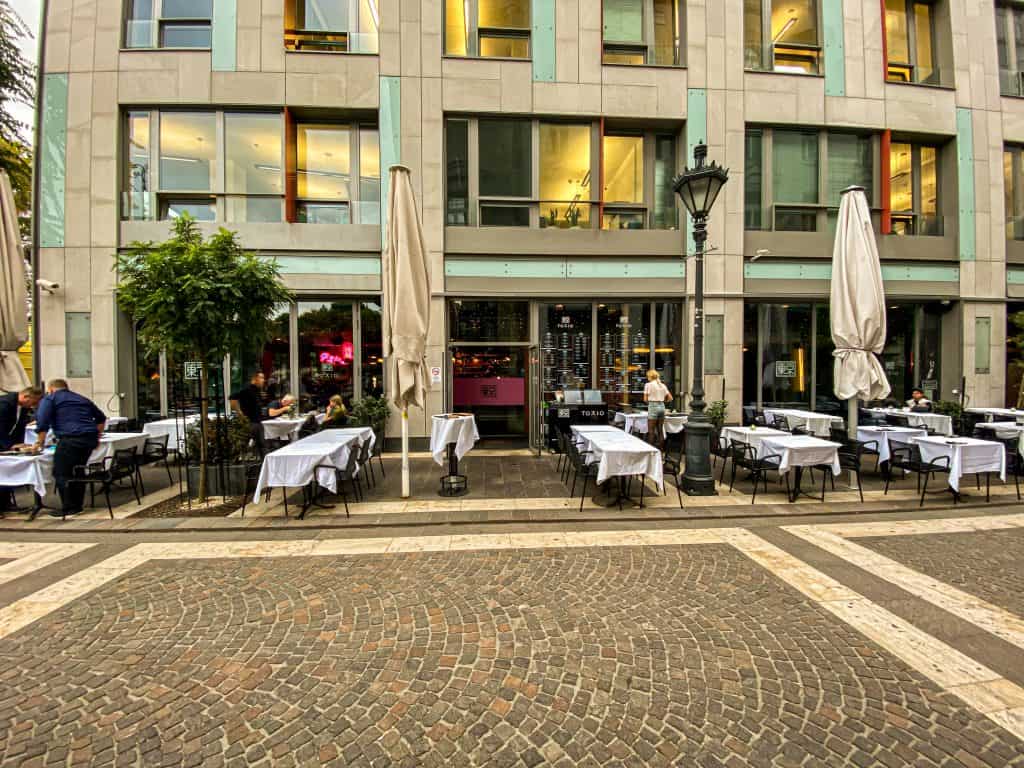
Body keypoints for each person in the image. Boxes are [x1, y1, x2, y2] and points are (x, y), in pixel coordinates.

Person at [31, 379, 106, 517]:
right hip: (88, 439)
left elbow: (42, 422)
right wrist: (97, 436)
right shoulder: (81, 399)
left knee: (61, 473)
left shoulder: (50, 399)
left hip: (70, 439)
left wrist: (39, 443)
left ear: (51, 389)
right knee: (78, 470)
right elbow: (101, 418)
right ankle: (78, 504)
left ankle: (69, 507)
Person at [0, 386, 43, 514]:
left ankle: (6, 503)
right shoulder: (4, 404)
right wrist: (8, 445)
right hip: (2, 440)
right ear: (25, 397)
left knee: (8, 471)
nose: (34, 406)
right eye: (34, 402)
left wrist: (19, 444)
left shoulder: (23, 408)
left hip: (6, 441)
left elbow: (20, 427)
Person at [230, 372, 267, 457]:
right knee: (248, 445)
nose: (263, 380)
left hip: (258, 422)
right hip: (250, 422)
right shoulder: (247, 389)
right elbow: (232, 398)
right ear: (255, 379)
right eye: (261, 378)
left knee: (263, 446)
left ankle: (264, 466)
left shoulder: (257, 390)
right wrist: (240, 413)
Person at [643, 370, 672, 450]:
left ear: (650, 376)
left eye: (647, 376)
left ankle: (651, 452)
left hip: (653, 406)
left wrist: (651, 402)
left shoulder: (648, 385)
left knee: (651, 431)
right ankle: (660, 451)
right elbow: (670, 398)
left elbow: (645, 399)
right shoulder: (662, 385)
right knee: (660, 430)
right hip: (662, 406)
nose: (647, 378)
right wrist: (661, 400)